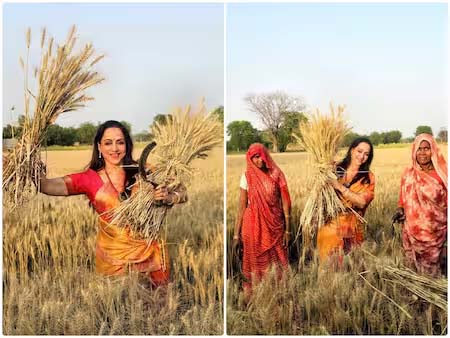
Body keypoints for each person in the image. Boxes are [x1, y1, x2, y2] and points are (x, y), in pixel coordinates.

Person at [38, 120, 187, 286]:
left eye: (120, 142)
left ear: (127, 145)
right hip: (113, 263)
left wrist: (168, 198)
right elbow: (46, 186)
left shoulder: (145, 170)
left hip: (152, 260)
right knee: (115, 308)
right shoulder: (89, 179)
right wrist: (30, 167)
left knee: (158, 309)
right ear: (99, 147)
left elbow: (182, 192)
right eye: (108, 143)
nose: (114, 149)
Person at [232, 143, 291, 290]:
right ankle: (256, 293)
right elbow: (241, 207)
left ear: (266, 155)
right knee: (254, 262)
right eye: (255, 157)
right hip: (252, 226)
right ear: (250, 159)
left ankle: (278, 291)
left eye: (261, 156)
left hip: (275, 225)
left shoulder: (277, 174)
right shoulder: (246, 177)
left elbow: (286, 203)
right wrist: (235, 235)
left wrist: (288, 230)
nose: (259, 160)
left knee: (279, 259)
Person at [392, 133, 447, 276]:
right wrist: (400, 210)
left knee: (432, 272)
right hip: (412, 230)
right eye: (419, 149)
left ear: (433, 150)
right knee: (412, 270)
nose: (422, 152)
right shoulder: (408, 173)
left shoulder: (442, 175)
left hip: (435, 232)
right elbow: (403, 198)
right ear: (414, 151)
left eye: (426, 148)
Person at [317, 137, 375, 263]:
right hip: (329, 227)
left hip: (352, 229)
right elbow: (319, 193)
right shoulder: (335, 169)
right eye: (359, 151)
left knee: (350, 269)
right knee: (328, 269)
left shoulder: (368, 177)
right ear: (352, 150)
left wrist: (339, 186)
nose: (362, 156)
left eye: (366, 154)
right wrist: (323, 173)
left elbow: (362, 201)